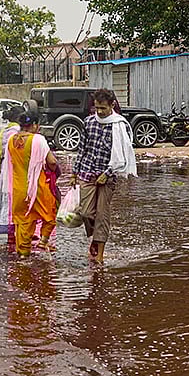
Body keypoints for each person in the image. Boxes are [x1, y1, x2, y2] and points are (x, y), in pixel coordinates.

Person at [68, 88, 137, 261]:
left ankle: (99, 254)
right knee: (86, 213)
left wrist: (107, 173)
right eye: (96, 108)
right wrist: (74, 173)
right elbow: (82, 148)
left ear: (112, 105)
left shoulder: (120, 126)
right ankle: (94, 240)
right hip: (87, 172)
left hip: (108, 177)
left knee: (102, 215)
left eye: (103, 108)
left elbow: (123, 155)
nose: (99, 112)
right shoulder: (88, 122)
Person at [1, 111, 61, 256]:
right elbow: (52, 162)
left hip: (18, 189)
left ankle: (23, 255)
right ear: (34, 125)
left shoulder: (11, 140)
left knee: (23, 222)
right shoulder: (38, 140)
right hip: (38, 187)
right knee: (51, 211)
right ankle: (43, 241)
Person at [0, 105, 24, 240]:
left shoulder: (5, 130)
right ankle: (15, 238)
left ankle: (10, 237)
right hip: (13, 172)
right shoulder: (16, 132)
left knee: (6, 202)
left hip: (3, 171)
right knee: (14, 204)